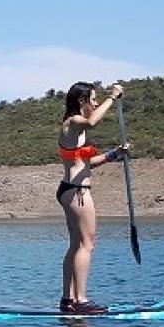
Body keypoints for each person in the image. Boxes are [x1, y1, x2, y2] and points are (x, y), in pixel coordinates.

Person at [55, 82, 127, 314]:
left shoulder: (75, 130)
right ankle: (81, 301)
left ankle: (68, 300)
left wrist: (113, 155)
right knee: (87, 245)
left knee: (76, 245)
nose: (95, 103)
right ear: (81, 101)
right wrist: (112, 98)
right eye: (93, 100)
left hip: (71, 188)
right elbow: (93, 121)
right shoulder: (74, 122)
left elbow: (83, 163)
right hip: (78, 192)